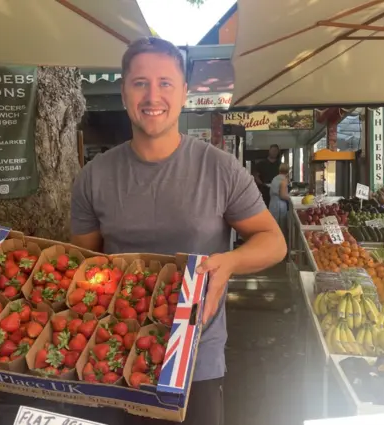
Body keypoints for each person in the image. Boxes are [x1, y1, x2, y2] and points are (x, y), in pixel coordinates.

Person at [70, 36, 287, 425]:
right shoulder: (94, 177)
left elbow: (274, 242)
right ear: (123, 93)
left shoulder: (220, 168)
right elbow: (87, 264)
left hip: (196, 355)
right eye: (140, 83)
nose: (153, 95)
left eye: (165, 83)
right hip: (113, 354)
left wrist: (231, 262)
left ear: (185, 92)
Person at [269, 163, 291, 240]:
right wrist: (291, 198)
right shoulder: (284, 180)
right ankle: (280, 244)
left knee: (273, 225)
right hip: (280, 205)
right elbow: (283, 195)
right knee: (280, 226)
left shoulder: (275, 178)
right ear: (288, 171)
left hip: (273, 203)